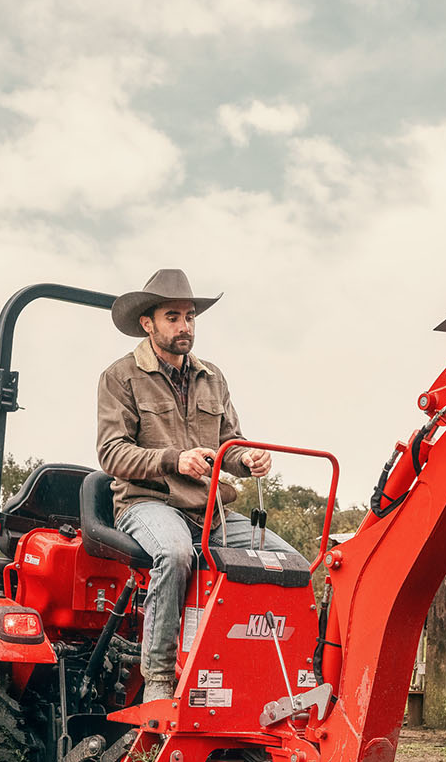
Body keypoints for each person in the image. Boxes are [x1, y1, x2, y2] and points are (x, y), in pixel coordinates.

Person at [96, 268, 299, 702]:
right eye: (173, 316)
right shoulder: (120, 377)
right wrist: (174, 459)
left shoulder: (213, 378)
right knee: (174, 552)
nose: (184, 326)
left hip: (210, 509)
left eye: (190, 317)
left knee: (288, 562)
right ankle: (158, 679)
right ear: (147, 323)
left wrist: (248, 457)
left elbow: (229, 443)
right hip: (147, 503)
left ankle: (269, 679)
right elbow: (112, 454)